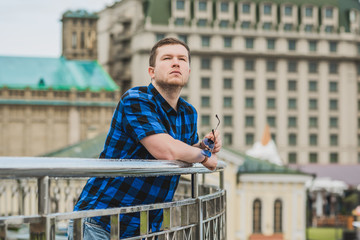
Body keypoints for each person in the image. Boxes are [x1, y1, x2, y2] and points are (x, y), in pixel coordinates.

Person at [67, 37, 222, 239]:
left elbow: (184, 150)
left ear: (188, 72)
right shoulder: (136, 99)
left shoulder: (188, 112)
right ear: (151, 72)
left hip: (145, 228)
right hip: (101, 221)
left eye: (182, 59)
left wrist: (204, 145)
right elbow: (166, 151)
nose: (176, 63)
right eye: (167, 58)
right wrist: (204, 156)